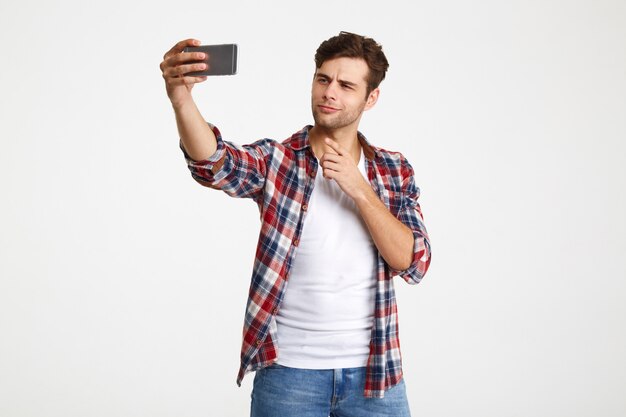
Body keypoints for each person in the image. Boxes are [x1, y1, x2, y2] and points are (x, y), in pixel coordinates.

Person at [160, 32, 431, 417]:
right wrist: (181, 99)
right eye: (323, 79)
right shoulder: (279, 160)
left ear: (371, 98)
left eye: (346, 85)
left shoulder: (393, 170)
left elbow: (413, 262)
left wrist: (359, 188)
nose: (329, 92)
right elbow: (216, 164)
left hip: (375, 377)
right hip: (289, 375)